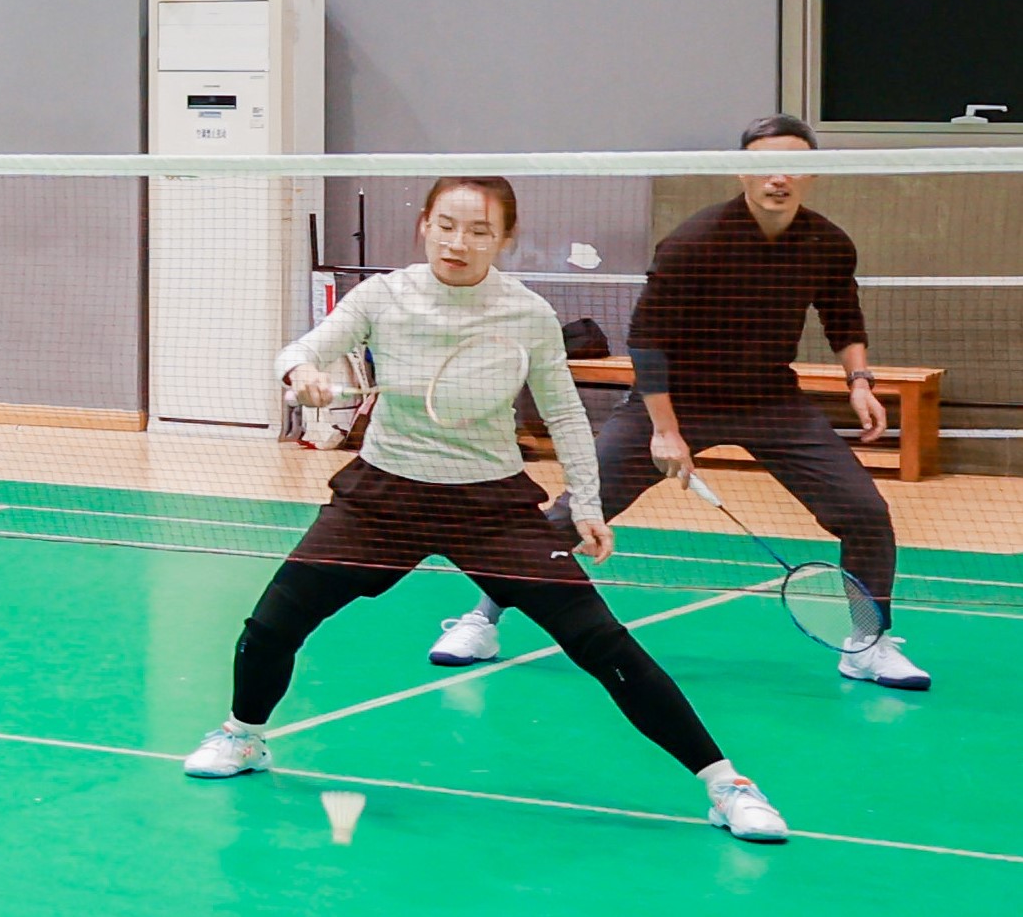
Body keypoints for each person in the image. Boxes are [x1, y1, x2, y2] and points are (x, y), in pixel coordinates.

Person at [184, 174, 784, 842]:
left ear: (504, 239)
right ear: (424, 224)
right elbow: (300, 351)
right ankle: (243, 734)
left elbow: (565, 413)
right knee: (273, 623)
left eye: (478, 231)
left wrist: (587, 502)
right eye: (446, 225)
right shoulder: (384, 295)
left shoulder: (526, 313)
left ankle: (726, 784)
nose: (458, 242)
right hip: (384, 497)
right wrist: (303, 375)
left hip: (490, 505)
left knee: (601, 641)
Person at [429, 116, 926, 691]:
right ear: (741, 171)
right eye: (765, 165)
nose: (779, 177)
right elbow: (647, 339)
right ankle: (481, 620)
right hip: (673, 398)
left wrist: (859, 381)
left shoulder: (827, 243)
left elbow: (843, 315)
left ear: (813, 173)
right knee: (579, 509)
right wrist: (665, 431)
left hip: (769, 400)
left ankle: (867, 642)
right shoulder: (697, 240)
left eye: (792, 165)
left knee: (865, 514)